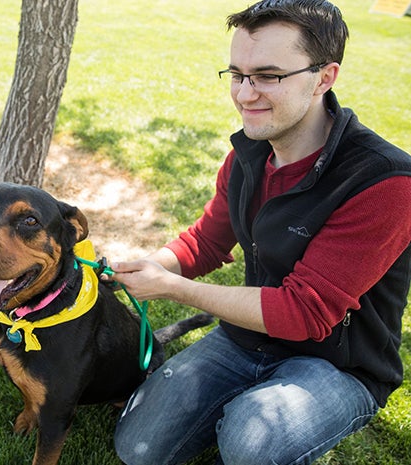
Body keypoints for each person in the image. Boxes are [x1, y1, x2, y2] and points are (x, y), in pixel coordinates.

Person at [110, 1, 411, 464]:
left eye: (268, 76)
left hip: (342, 363)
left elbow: (304, 313)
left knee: (252, 443)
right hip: (249, 335)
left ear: (324, 77)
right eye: (237, 74)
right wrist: (152, 265)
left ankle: (257, 418)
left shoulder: (386, 182)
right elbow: (206, 241)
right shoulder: (248, 154)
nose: (245, 94)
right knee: (137, 449)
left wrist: (173, 288)